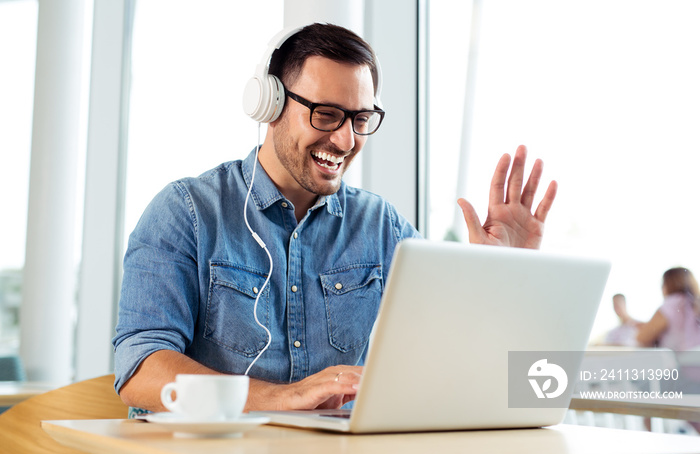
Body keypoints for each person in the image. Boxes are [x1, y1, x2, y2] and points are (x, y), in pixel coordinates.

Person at [112, 23, 558, 414]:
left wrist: (502, 279)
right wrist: (280, 397)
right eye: (326, 114)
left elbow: (446, 358)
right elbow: (140, 368)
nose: (345, 139)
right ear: (270, 106)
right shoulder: (186, 212)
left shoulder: (383, 228)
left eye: (360, 118)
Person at [637, 267, 700, 351]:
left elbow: (642, 337)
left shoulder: (673, 303)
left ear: (668, 284)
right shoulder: (695, 302)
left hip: (678, 361)